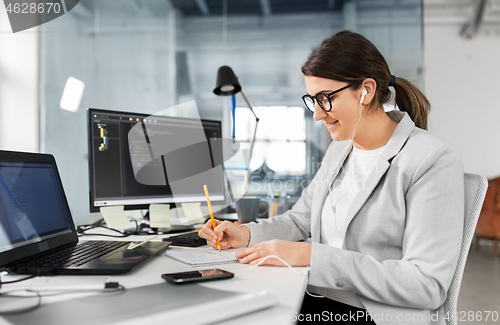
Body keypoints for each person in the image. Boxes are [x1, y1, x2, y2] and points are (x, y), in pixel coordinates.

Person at [198, 30, 464, 325]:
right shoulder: (340, 150)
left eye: (325, 99)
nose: (317, 115)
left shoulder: (431, 159)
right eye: (312, 100)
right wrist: (246, 234)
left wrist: (313, 256)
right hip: (316, 298)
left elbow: (426, 284)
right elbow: (299, 220)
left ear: (366, 90)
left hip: (371, 313)